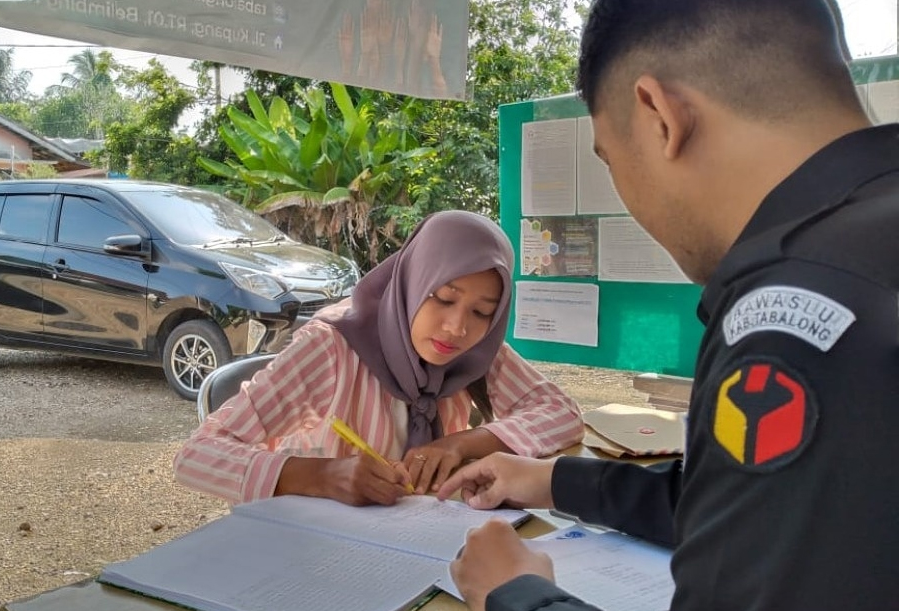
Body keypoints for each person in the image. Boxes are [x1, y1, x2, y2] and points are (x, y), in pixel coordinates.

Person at [437, 1, 899, 610]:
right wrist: (552, 478)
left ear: (659, 115)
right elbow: (767, 510)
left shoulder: (797, 314)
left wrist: (516, 596)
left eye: (610, 159)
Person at [173, 210, 584, 507]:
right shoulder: (332, 348)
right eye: (443, 298)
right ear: (412, 282)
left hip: (425, 543)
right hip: (317, 553)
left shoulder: (473, 350)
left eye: (482, 312)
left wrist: (462, 443)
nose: (457, 327)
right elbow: (196, 455)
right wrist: (322, 476)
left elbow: (561, 413)